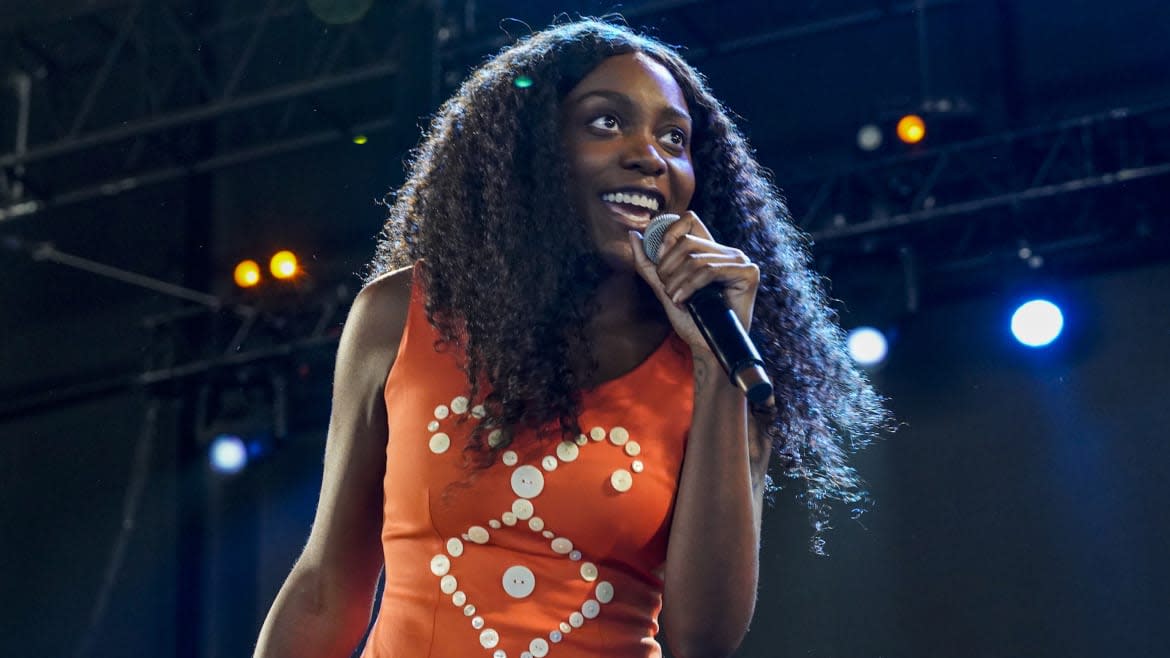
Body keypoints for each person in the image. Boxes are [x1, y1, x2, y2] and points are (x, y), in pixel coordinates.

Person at [255, 18, 885, 658]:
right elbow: (326, 587)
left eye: (674, 137)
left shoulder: (720, 363)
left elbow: (704, 639)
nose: (649, 153)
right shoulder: (401, 313)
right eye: (605, 122)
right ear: (534, 149)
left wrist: (717, 370)